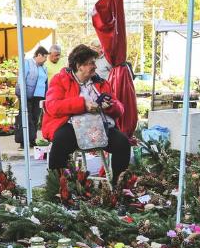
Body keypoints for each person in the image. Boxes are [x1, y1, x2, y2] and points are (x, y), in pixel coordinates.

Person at [43, 44, 130, 182]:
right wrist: (82, 104)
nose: (95, 66)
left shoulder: (101, 83)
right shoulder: (60, 80)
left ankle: (118, 186)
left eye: (94, 63)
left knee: (122, 142)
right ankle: (58, 187)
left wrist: (109, 106)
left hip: (100, 126)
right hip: (71, 125)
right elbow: (53, 106)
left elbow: (120, 108)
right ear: (79, 66)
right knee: (60, 140)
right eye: (91, 63)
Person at [16, 46, 49, 149]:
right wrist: (22, 94)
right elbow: (22, 78)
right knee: (26, 117)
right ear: (38, 55)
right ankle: (23, 141)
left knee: (35, 118)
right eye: (44, 57)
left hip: (38, 97)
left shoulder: (43, 67)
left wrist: (46, 95)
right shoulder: (27, 63)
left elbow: (45, 82)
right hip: (27, 95)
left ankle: (32, 139)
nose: (45, 60)